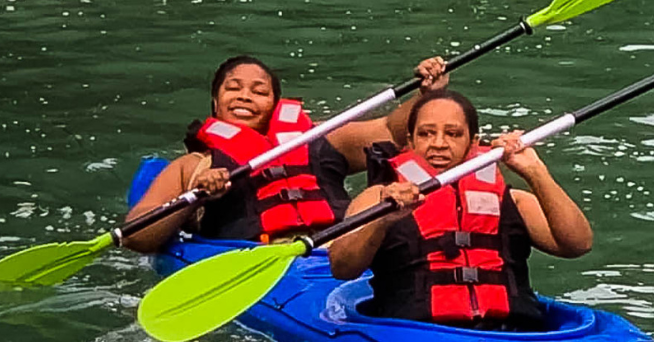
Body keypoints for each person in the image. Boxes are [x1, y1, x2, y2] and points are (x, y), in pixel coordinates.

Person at [125, 55, 448, 252]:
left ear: (276, 104)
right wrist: (196, 196)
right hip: (257, 259)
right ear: (215, 102)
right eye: (233, 88)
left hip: (333, 253)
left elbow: (393, 132)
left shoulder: (320, 138)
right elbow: (136, 236)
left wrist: (428, 94)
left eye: (259, 91)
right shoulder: (195, 166)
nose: (245, 96)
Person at [328, 90, 592, 331]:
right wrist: (383, 220)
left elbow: (577, 245)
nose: (439, 143)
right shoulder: (380, 198)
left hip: (512, 334)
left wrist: (535, 172)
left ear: (473, 141)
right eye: (426, 133)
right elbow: (342, 268)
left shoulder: (514, 201)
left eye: (453, 134)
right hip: (417, 334)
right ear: (409, 142)